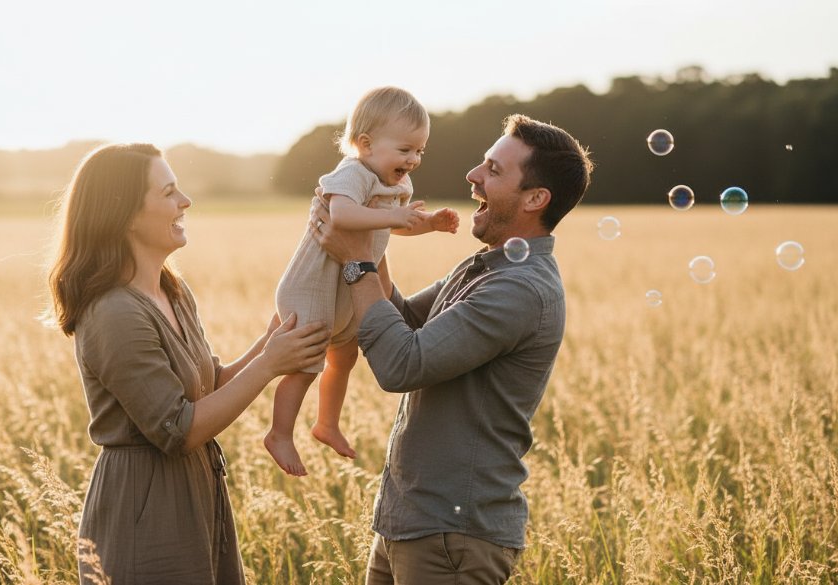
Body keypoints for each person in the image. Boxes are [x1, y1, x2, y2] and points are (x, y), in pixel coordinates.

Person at [312, 114, 594, 584]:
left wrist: (355, 259)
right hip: (412, 524)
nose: (473, 176)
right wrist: (372, 241)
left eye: (494, 170)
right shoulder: (489, 267)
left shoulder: (519, 290)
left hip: (453, 538)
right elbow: (401, 319)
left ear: (535, 199)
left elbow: (401, 364)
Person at [47, 143, 330, 584]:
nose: (185, 202)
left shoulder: (172, 292)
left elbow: (209, 386)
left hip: (198, 491)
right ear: (123, 213)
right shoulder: (114, 313)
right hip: (144, 508)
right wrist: (270, 363)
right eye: (168, 193)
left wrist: (271, 339)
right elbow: (178, 429)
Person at [265, 87, 459, 476]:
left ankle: (327, 424)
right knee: (306, 363)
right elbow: (343, 217)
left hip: (343, 287)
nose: (414, 160)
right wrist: (393, 218)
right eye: (405, 149)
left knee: (345, 356)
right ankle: (280, 433)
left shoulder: (397, 184)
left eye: (420, 150)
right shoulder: (351, 173)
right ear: (366, 144)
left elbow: (390, 230)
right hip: (311, 284)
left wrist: (428, 225)